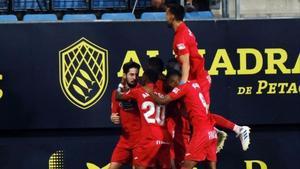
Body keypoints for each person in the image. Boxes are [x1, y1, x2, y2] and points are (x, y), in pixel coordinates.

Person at [166, 3, 250, 150]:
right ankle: (217, 131)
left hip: (199, 80)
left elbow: (185, 64)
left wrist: (182, 87)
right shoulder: (184, 30)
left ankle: (239, 129)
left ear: (172, 15)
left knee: (202, 116)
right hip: (196, 78)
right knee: (188, 113)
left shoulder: (180, 37)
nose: (165, 17)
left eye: (167, 14)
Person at [145, 69, 218, 169]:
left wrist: (150, 92)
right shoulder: (195, 84)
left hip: (201, 132)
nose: (170, 86)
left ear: (176, 81)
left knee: (185, 167)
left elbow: (163, 101)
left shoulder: (182, 87)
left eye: (171, 82)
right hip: (211, 130)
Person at [116, 69, 172, 169]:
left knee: (139, 167)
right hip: (165, 137)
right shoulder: (162, 94)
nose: (140, 78)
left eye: (142, 76)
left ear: (146, 78)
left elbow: (118, 96)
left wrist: (122, 82)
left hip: (149, 137)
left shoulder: (139, 91)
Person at [109, 62, 141, 169]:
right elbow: (114, 114)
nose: (134, 77)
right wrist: (113, 118)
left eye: (136, 75)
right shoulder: (116, 93)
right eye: (131, 74)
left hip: (140, 141)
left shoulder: (142, 92)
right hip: (125, 141)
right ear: (124, 75)